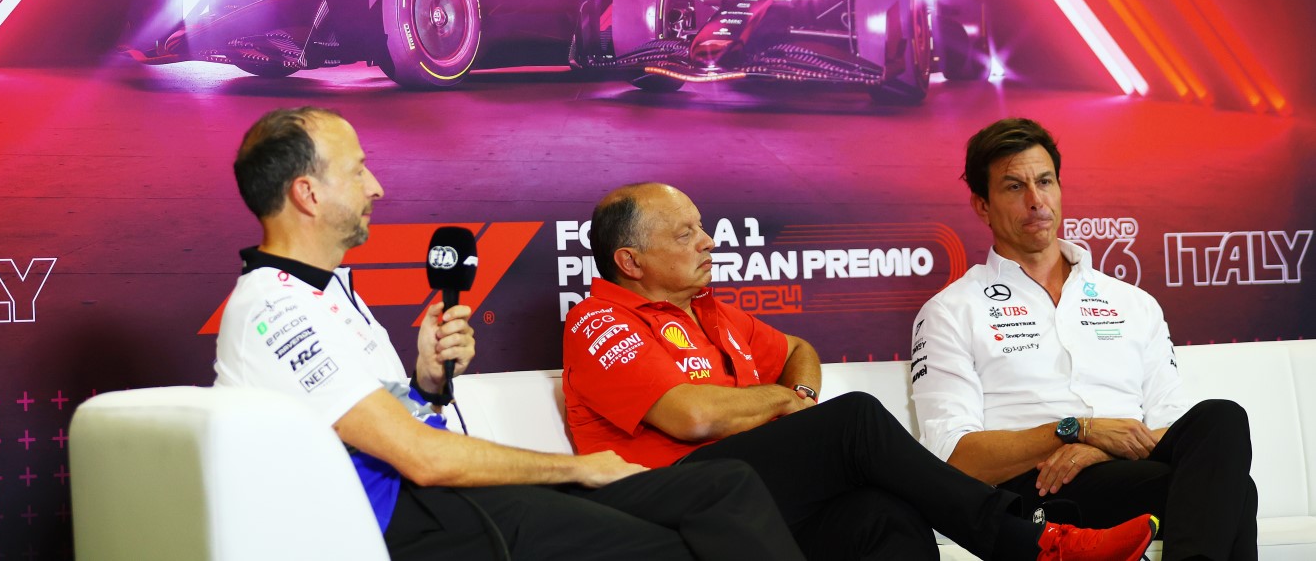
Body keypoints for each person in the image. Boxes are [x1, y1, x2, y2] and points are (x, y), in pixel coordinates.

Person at [213, 106, 806, 561]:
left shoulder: (327, 290)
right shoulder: (275, 309)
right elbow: (422, 458)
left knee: (721, 487)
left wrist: (425, 385)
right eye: (358, 169)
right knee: (673, 544)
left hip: (431, 500)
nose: (376, 187)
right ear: (308, 194)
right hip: (400, 521)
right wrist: (576, 467)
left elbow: (387, 427)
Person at [563, 180, 1162, 561]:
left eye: (703, 226)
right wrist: (783, 404)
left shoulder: (713, 311)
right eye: (686, 232)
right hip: (669, 499)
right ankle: (1033, 543)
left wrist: (796, 391)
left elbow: (799, 349)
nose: (709, 241)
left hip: (747, 494)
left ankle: (1035, 543)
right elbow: (691, 415)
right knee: (851, 420)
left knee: (883, 513)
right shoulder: (597, 322)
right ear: (630, 261)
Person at [911, 117, 1257, 561]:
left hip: (1130, 470)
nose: (1036, 201)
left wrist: (1097, 449)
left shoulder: (1133, 302)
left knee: (1222, 419)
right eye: (1015, 187)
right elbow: (954, 458)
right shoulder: (950, 311)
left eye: (1045, 181)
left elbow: (1171, 423)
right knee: (1234, 490)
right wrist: (1075, 432)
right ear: (982, 205)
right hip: (1038, 490)